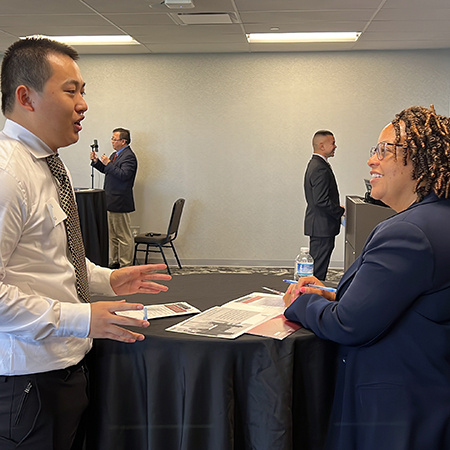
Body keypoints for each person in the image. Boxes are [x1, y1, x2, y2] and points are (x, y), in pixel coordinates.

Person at [0, 37, 171, 450]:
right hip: (28, 380)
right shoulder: (8, 173)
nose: (83, 105)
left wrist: (108, 280)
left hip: (64, 369)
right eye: (70, 91)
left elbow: (52, 261)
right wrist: (80, 318)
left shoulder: (45, 165)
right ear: (26, 97)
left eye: (83, 92)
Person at [284, 106, 450, 450]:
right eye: (374, 150)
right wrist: (333, 294)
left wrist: (300, 303)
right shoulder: (438, 219)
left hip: (396, 411)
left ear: (423, 161)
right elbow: (410, 302)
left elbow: (349, 325)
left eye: (384, 150)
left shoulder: (408, 232)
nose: (372, 161)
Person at [90, 128, 137, 269]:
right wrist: (97, 162)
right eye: (112, 139)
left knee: (123, 236)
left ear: (123, 141)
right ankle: (115, 261)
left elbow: (124, 175)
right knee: (114, 235)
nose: (112, 141)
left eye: (114, 139)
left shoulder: (129, 156)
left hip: (120, 201)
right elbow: (108, 171)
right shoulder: (116, 155)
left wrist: (108, 164)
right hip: (110, 200)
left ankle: (126, 265)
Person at [303, 130, 345, 281]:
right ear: (322, 146)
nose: (335, 146)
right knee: (317, 271)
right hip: (322, 226)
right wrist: (340, 211)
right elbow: (320, 200)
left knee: (317, 268)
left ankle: (310, 298)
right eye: (332, 143)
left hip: (320, 225)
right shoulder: (320, 167)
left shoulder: (316, 164)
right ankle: (310, 299)